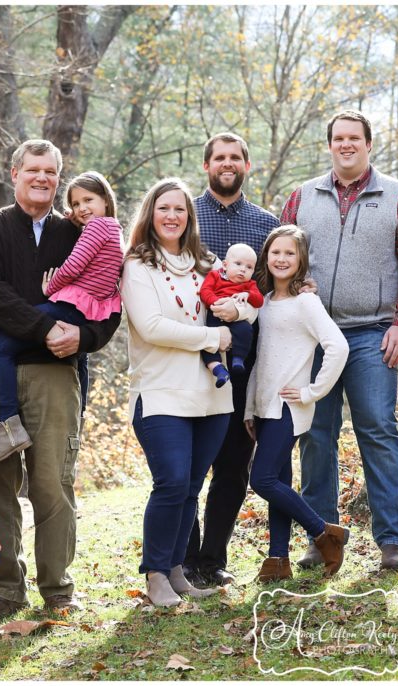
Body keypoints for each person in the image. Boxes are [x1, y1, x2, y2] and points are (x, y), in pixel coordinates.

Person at [0, 140, 121, 618]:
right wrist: (44, 326)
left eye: (51, 172)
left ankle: (57, 588)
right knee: (0, 483)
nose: (42, 178)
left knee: (54, 483)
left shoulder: (79, 231)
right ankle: (7, 588)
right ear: (14, 174)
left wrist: (84, 337)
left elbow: (109, 293)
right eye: (33, 170)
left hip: (56, 374)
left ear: (59, 177)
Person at [280, 110, 398, 571]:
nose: (346, 145)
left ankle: (391, 542)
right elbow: (279, 253)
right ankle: (322, 536)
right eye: (338, 138)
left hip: (373, 334)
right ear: (329, 145)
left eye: (354, 139)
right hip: (315, 335)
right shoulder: (302, 197)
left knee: (378, 432)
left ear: (368, 145)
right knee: (315, 436)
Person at [121, 178, 258, 607]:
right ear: (151, 213)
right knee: (172, 481)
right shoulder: (138, 265)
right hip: (161, 392)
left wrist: (240, 310)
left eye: (180, 209)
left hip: (212, 395)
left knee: (193, 484)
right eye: (164, 208)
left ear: (189, 216)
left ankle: (178, 569)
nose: (172, 216)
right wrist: (212, 338)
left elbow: (250, 302)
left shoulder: (206, 262)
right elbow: (152, 327)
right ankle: (156, 573)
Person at [184, 132, 279, 588]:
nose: (227, 163)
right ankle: (184, 558)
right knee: (188, 462)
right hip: (190, 354)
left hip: (245, 359)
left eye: (235, 157)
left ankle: (212, 559)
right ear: (207, 166)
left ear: (247, 165)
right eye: (219, 157)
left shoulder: (266, 224)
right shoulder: (186, 215)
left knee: (234, 463)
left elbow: (280, 284)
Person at [0, 170, 123, 452]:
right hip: (89, 312)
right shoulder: (113, 229)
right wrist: (77, 220)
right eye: (76, 204)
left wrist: (51, 286)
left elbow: (74, 265)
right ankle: (81, 412)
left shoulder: (97, 228)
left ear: (106, 200)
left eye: (89, 200)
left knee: (0, 347)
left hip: (70, 305)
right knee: (79, 356)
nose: (82, 208)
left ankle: (9, 426)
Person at [244, 226, 350, 582]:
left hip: (288, 407)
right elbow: (261, 357)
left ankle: (325, 534)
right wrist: (249, 407)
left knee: (262, 479)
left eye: (290, 253)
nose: (282, 259)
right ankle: (278, 560)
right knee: (279, 481)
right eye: (276, 252)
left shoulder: (306, 301)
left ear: (301, 259)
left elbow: (338, 346)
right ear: (266, 256)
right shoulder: (264, 301)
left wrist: (311, 392)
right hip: (264, 405)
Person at [199, 242, 263, 387]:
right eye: (238, 264)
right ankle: (217, 368)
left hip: (237, 319)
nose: (243, 270)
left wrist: (247, 294)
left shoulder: (249, 285)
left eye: (249, 267)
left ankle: (238, 359)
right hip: (215, 314)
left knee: (246, 330)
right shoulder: (215, 276)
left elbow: (259, 301)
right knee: (209, 340)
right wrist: (215, 302)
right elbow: (205, 291)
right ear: (225, 265)